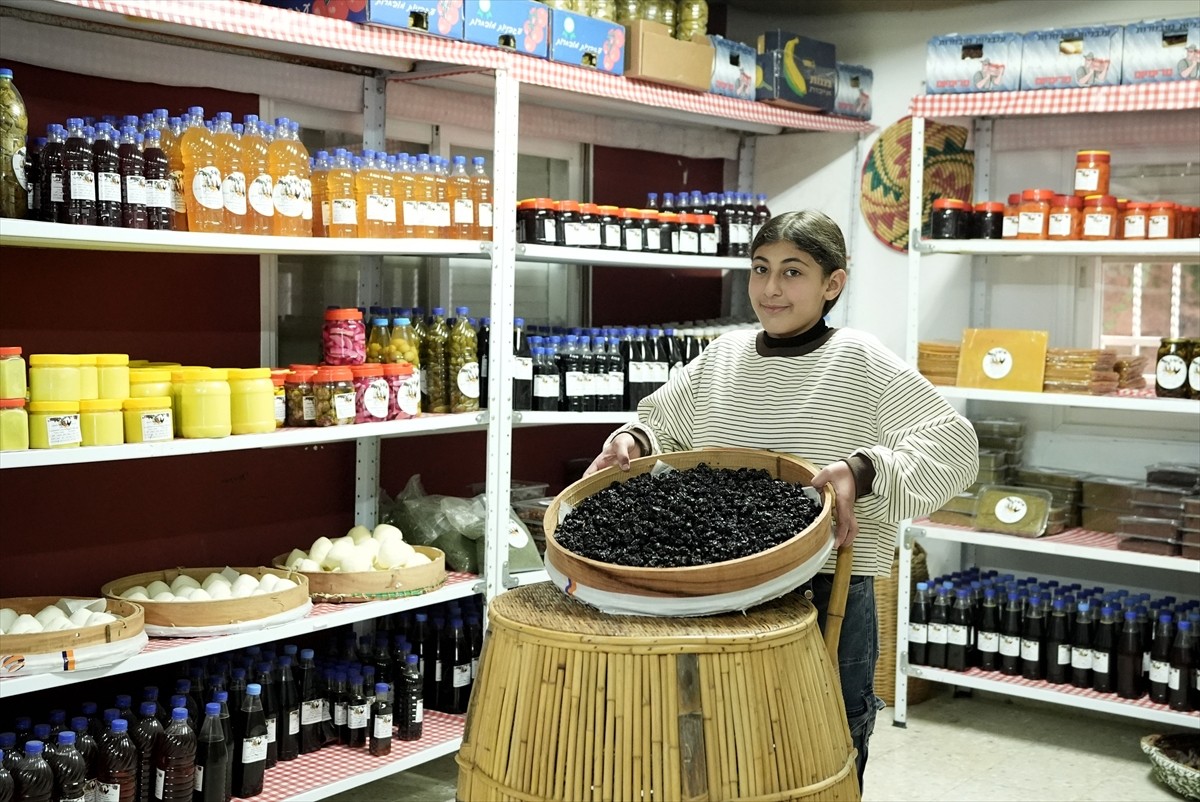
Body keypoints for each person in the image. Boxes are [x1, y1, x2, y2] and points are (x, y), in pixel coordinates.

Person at [585, 209, 979, 788]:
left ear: (832, 285)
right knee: (723, 736)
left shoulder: (860, 361)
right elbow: (664, 426)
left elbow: (954, 446)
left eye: (793, 272)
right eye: (760, 269)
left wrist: (863, 469)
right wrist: (632, 440)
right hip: (715, 587)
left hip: (830, 591)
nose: (770, 289)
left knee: (825, 738)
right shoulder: (724, 356)